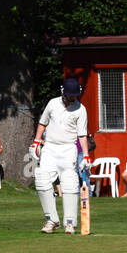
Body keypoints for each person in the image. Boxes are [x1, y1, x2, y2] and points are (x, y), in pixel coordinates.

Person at [31, 77, 89, 233]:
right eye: (70, 95)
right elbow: (42, 123)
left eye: (75, 95)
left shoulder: (80, 109)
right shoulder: (52, 103)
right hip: (50, 147)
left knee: (69, 182)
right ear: (63, 92)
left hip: (68, 148)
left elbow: (82, 135)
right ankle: (51, 220)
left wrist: (86, 155)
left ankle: (70, 222)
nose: (73, 97)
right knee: (42, 179)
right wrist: (37, 141)